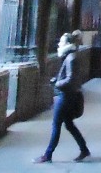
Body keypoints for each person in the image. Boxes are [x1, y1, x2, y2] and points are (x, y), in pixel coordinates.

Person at [35, 31, 91, 164]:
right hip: (68, 94)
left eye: (61, 42)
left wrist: (57, 84)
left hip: (66, 96)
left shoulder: (71, 58)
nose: (59, 44)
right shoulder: (70, 56)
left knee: (56, 124)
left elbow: (71, 79)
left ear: (67, 43)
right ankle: (84, 149)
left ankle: (48, 155)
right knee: (69, 125)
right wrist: (57, 79)